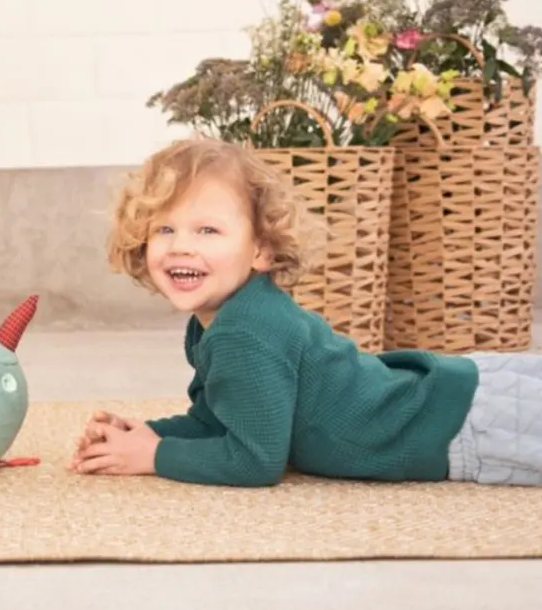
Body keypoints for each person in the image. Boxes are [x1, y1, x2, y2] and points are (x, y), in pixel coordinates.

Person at [68, 137, 542, 487]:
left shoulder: (244, 332)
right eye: (165, 229)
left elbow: (254, 460)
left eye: (207, 230)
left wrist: (155, 456)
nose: (181, 247)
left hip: (469, 426)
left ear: (261, 251)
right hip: (460, 398)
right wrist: (148, 435)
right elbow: (224, 420)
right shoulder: (224, 318)